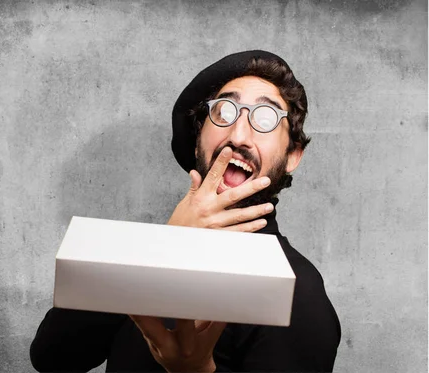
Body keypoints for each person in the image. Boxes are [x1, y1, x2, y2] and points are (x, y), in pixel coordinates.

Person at [30, 50, 341, 372]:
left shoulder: (298, 292)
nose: (238, 136)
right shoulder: (136, 255)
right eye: (224, 112)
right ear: (197, 143)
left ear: (292, 155)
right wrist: (165, 243)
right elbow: (53, 358)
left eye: (265, 118)